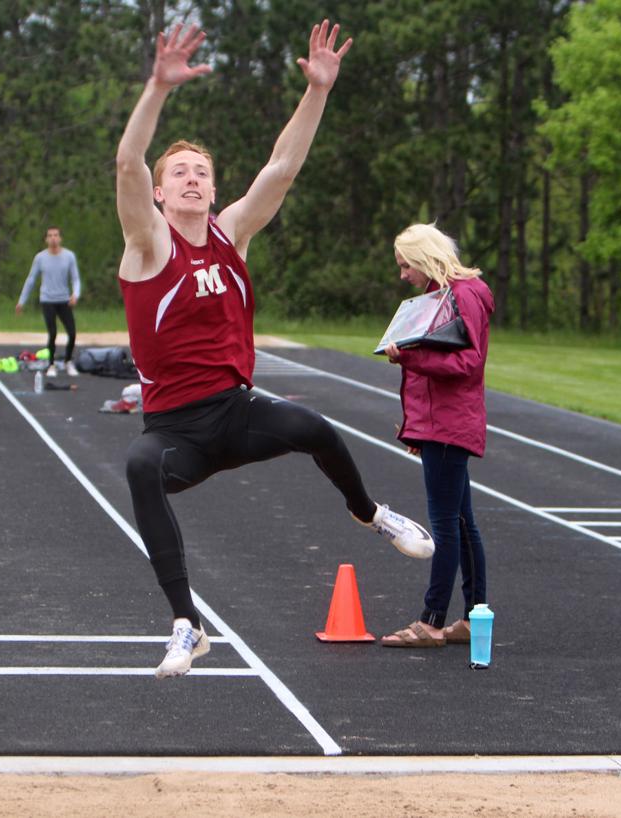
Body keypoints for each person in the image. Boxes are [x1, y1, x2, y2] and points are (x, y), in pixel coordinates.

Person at [115, 21, 434, 679]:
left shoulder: (232, 234)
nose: (193, 179)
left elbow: (282, 167)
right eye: (179, 173)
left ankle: (371, 513)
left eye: (202, 171)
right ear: (160, 191)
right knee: (141, 468)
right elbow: (126, 162)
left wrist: (317, 90)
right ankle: (186, 624)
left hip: (236, 411)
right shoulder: (149, 246)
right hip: (178, 430)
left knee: (313, 426)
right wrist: (157, 87)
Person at [379, 223, 493, 648]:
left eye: (406, 264)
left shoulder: (463, 295)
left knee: (446, 527)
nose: (403, 274)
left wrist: (412, 359)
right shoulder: (442, 296)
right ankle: (474, 618)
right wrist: (417, 428)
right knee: (462, 524)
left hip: (450, 424)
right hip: (440, 424)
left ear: (424, 257)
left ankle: (430, 621)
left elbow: (467, 364)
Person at [16, 226, 81, 377]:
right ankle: (51, 364)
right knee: (52, 333)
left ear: (60, 238)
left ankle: (68, 361)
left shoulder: (69, 256)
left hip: (64, 300)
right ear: (46, 239)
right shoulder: (40, 258)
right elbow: (31, 279)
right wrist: (21, 301)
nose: (53, 238)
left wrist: (75, 294)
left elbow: (76, 278)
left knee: (72, 332)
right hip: (47, 300)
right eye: (50, 235)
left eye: (56, 235)